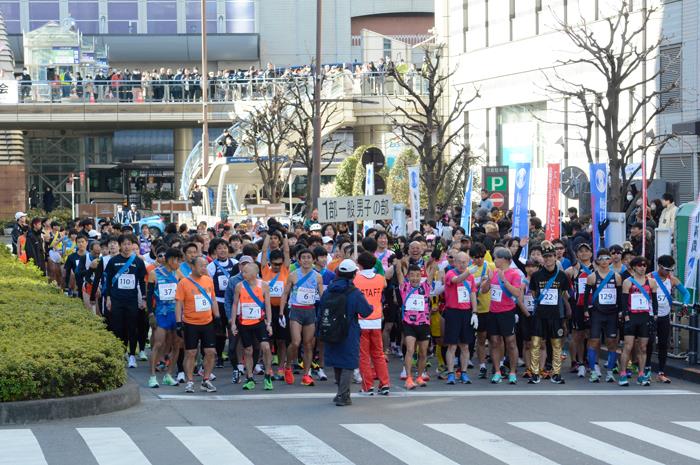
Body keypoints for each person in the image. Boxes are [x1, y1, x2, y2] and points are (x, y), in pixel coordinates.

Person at [322, 259, 373, 406]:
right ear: (353, 275)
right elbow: (366, 311)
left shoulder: (329, 290)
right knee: (348, 363)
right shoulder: (354, 292)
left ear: (338, 273)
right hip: (348, 330)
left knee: (337, 362)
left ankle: (341, 393)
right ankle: (343, 395)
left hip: (330, 329)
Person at [528, 242, 571, 384]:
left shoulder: (562, 276)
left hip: (556, 315)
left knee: (557, 344)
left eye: (550, 256)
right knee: (535, 343)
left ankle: (556, 373)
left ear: (555, 257)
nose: (548, 259)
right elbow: (534, 294)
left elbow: (563, 294)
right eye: (545, 256)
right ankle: (535, 373)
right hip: (539, 314)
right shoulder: (536, 276)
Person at [175, 256, 221, 393]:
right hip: (190, 323)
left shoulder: (208, 280)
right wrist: (178, 322)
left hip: (207, 322)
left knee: (210, 352)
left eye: (205, 265)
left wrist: (217, 316)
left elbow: (213, 299)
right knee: (191, 353)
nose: (204, 268)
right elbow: (179, 304)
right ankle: (190, 381)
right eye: (201, 265)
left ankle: (205, 380)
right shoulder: (183, 283)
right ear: (192, 267)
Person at [279, 248, 324, 386]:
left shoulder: (317, 276)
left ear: (313, 260)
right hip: (296, 311)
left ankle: (306, 375)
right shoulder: (293, 275)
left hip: (310, 311)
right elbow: (285, 294)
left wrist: (324, 312)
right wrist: (281, 312)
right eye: (303, 257)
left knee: (308, 344)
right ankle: (288, 367)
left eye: (308, 257)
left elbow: (322, 296)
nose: (306, 260)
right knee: (296, 342)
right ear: (299, 260)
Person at [103, 234, 147, 368]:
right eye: (124, 244)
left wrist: (144, 298)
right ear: (120, 245)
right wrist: (108, 298)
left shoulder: (138, 262)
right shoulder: (113, 261)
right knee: (118, 328)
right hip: (117, 300)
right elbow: (109, 281)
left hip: (132, 300)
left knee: (132, 328)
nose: (127, 247)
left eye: (129, 244)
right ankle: (121, 353)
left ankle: (132, 355)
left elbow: (142, 282)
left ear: (132, 245)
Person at [480, 247, 522, 384]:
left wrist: (505, 281)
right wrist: (488, 280)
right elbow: (484, 290)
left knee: (510, 342)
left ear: (503, 259)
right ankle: (497, 371)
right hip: (493, 312)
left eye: (496, 257)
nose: (494, 260)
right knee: (494, 342)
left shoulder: (514, 274)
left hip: (507, 312)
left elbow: (517, 293)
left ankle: (513, 372)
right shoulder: (493, 272)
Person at [646, 255, 691, 383]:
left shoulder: (672, 280)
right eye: (666, 269)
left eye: (670, 270)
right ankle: (647, 370)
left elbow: (686, 293)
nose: (668, 272)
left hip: (665, 316)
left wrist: (685, 305)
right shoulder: (649, 277)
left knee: (663, 345)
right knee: (649, 344)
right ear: (659, 266)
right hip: (650, 315)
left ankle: (661, 372)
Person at [231, 263, 274, 390]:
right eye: (242, 272)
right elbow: (234, 305)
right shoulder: (239, 286)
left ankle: (267, 375)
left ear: (254, 274)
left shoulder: (264, 285)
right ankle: (249, 378)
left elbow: (268, 305)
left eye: (245, 272)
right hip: (244, 323)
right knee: (248, 350)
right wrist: (233, 323)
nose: (242, 274)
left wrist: (269, 323)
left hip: (259, 322)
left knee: (265, 347)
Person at [582, 248, 622, 383]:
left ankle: (610, 371)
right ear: (597, 260)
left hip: (612, 314)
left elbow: (621, 296)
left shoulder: (616, 277)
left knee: (612, 342)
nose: (604, 261)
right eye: (601, 258)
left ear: (610, 260)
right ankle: (593, 370)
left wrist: (621, 311)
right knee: (594, 341)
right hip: (597, 313)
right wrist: (586, 311)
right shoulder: (592, 277)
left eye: (607, 258)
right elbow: (586, 297)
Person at [146, 247, 183, 388]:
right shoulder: (154, 274)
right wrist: (150, 313)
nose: (179, 263)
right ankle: (152, 377)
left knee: (176, 344)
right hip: (161, 314)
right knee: (158, 344)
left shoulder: (178, 273)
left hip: (176, 314)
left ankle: (169, 374)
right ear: (170, 260)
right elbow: (149, 297)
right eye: (177, 260)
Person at [619, 256, 658, 387]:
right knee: (628, 346)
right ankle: (623, 373)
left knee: (643, 347)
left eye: (645, 265)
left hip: (645, 317)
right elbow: (623, 302)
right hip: (632, 316)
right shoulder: (628, 282)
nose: (642, 268)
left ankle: (641, 374)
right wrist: (625, 316)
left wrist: (655, 315)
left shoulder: (651, 282)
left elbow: (655, 301)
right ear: (634, 267)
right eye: (640, 265)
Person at [354, 252, 390, 395]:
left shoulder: (356, 279)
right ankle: (385, 383)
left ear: (360, 264)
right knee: (378, 354)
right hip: (376, 320)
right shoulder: (380, 279)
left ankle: (367, 386)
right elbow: (385, 284)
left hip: (361, 320)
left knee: (364, 355)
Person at [442, 251, 478, 385]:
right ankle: (451, 373)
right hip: (453, 312)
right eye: (460, 262)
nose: (462, 264)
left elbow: (473, 294)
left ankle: (463, 373)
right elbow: (456, 280)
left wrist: (475, 312)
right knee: (452, 345)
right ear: (455, 262)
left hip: (466, 313)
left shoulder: (471, 277)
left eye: (465, 262)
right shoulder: (450, 273)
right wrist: (468, 273)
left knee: (465, 346)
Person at [395, 261, 431, 389]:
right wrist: (399, 259)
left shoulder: (426, 287)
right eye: (412, 275)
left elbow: (432, 268)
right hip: (409, 324)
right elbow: (399, 272)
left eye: (417, 275)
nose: (415, 278)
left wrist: (434, 256)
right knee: (410, 350)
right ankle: (409, 378)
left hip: (424, 324)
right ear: (408, 277)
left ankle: (420, 377)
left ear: (421, 276)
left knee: (422, 352)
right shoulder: (404, 287)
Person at [206, 238, 238, 368]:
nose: (223, 250)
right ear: (215, 251)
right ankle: (219, 356)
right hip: (218, 302)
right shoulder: (211, 266)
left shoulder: (235, 263)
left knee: (233, 330)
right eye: (219, 248)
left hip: (232, 302)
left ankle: (233, 355)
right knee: (219, 332)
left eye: (225, 247)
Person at [566, 243, 594, 377]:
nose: (583, 253)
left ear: (591, 253)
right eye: (580, 251)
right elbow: (564, 282)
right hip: (578, 306)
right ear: (577, 254)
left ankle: (589, 360)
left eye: (586, 251)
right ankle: (575, 361)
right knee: (577, 335)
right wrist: (570, 295)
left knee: (591, 335)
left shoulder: (596, 268)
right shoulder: (572, 270)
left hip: (593, 306)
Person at [469, 243, 495, 379]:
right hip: (478, 310)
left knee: (495, 339)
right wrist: (480, 283)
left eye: (481, 256)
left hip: (492, 308)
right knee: (481, 339)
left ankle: (498, 365)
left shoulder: (491, 266)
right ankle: (482, 366)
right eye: (475, 257)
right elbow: (469, 289)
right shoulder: (470, 270)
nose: (478, 259)